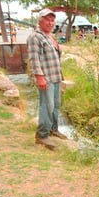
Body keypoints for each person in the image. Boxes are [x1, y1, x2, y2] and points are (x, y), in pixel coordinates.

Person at [27, 8, 67, 150]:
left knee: (56, 105)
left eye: (52, 20)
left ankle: (53, 130)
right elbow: (34, 59)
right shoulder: (35, 37)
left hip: (56, 77)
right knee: (47, 105)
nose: (50, 23)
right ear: (40, 21)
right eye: (47, 19)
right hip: (46, 78)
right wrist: (40, 77)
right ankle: (42, 135)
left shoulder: (50, 36)